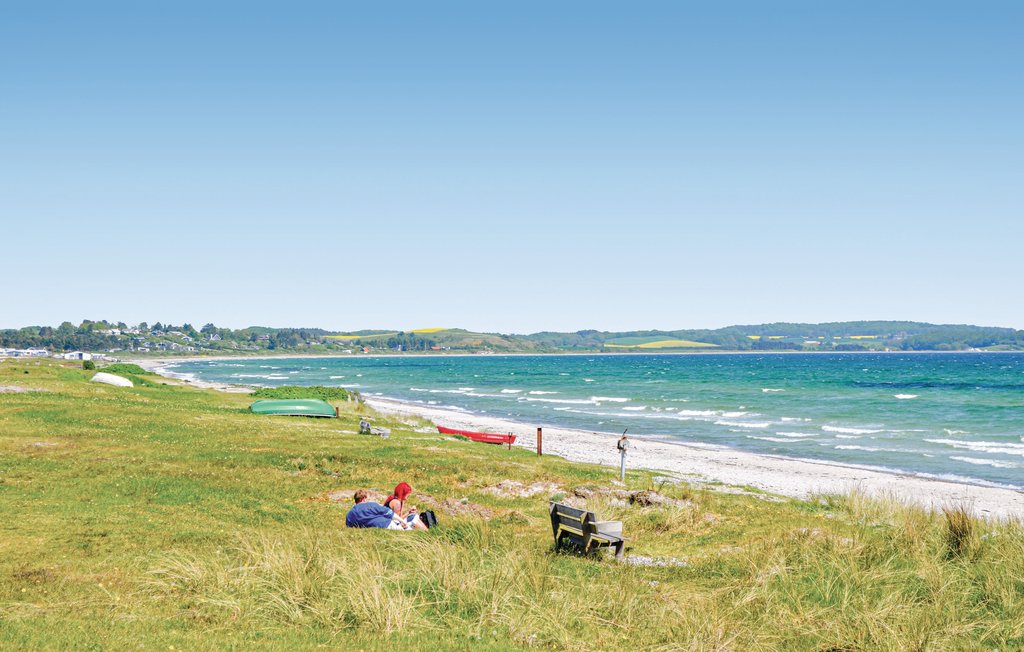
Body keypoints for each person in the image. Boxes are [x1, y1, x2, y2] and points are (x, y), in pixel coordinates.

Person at [345, 489, 417, 530]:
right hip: (386, 525)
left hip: (376, 528)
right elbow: (390, 514)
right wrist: (403, 522)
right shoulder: (371, 505)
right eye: (367, 499)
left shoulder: (349, 514)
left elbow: (349, 527)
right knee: (414, 519)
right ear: (364, 499)